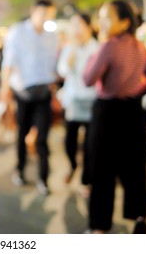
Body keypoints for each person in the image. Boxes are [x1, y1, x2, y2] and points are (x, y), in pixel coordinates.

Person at [84, 0, 146, 234]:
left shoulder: (108, 46)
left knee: (103, 171)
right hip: (134, 113)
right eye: (100, 16)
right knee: (134, 169)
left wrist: (98, 49)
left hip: (108, 113)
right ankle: (139, 218)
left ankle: (99, 227)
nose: (101, 22)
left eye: (107, 17)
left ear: (124, 22)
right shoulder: (140, 47)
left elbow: (88, 78)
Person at [0, 0, 58, 195]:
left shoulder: (52, 35)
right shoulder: (18, 31)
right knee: (22, 133)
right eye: (42, 13)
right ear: (34, 11)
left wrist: (55, 91)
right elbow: (8, 62)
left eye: (49, 14)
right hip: (23, 91)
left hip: (43, 92)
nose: (45, 18)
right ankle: (20, 170)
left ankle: (43, 178)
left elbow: (52, 65)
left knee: (42, 138)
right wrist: (4, 88)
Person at [57, 13, 98, 193]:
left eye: (80, 25)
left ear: (89, 27)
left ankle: (86, 179)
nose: (76, 30)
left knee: (90, 143)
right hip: (73, 100)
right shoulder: (69, 48)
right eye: (74, 26)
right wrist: (72, 51)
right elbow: (63, 70)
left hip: (91, 99)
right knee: (69, 141)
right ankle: (72, 165)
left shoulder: (96, 48)